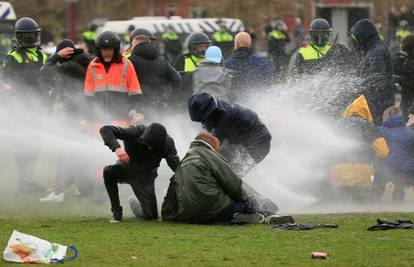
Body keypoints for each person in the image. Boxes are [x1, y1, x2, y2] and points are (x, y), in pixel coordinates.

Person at [161, 131, 264, 224]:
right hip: (216, 211)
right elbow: (232, 183)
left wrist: (168, 215)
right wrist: (246, 200)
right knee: (248, 201)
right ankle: (262, 214)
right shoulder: (211, 155)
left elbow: (171, 193)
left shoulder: (182, 163)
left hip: (189, 216)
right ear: (213, 144)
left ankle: (231, 218)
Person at [38, 39, 94, 203]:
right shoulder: (85, 61)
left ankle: (59, 192)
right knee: (81, 153)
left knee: (65, 154)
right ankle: (83, 188)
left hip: (77, 116)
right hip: (86, 116)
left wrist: (55, 57)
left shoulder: (69, 67)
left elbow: (44, 72)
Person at [2, 17, 48, 193]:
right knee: (23, 146)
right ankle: (24, 182)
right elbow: (3, 79)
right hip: (20, 108)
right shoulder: (12, 56)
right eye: (26, 35)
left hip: (40, 107)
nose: (29, 38)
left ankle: (30, 180)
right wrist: (7, 87)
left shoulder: (43, 55)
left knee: (35, 145)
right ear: (19, 37)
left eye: (32, 35)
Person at [100, 122, 180, 222]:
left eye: (153, 146)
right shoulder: (135, 131)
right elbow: (106, 129)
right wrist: (117, 148)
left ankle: (134, 203)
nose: (149, 148)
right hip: (126, 168)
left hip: (145, 177)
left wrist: (185, 174)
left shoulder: (168, 143)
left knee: (151, 216)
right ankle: (116, 211)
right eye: (148, 144)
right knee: (108, 172)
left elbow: (174, 162)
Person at [188, 93, 272, 176]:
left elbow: (211, 146)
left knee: (232, 173)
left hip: (259, 144)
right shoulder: (217, 108)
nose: (202, 123)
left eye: (203, 120)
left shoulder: (223, 117)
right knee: (224, 163)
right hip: (242, 140)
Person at [330, 95, 389, 199]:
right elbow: (383, 151)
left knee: (341, 201)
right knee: (360, 201)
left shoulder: (337, 124)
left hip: (338, 169)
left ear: (349, 110)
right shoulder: (369, 126)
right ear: (366, 111)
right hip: (362, 169)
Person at [84, 31, 141, 122]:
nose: (107, 52)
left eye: (110, 49)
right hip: (99, 119)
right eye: (104, 49)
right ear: (99, 50)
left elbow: (135, 93)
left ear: (116, 49)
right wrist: (88, 117)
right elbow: (88, 95)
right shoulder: (93, 66)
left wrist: (134, 112)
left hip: (122, 118)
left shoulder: (127, 64)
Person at [350, 19, 395, 125]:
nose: (355, 40)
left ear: (363, 36)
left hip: (378, 106)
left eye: (356, 36)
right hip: (374, 104)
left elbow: (374, 79)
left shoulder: (377, 52)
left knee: (377, 137)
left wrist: (354, 86)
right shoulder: (371, 50)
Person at [128, 34, 182, 119]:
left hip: (138, 112)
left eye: (132, 45)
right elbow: (177, 79)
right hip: (160, 109)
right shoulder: (162, 60)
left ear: (135, 45)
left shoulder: (131, 61)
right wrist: (171, 101)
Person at [377, 106, 414, 202]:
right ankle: (398, 205)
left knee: (378, 174)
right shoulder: (410, 132)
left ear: (386, 116)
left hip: (390, 167)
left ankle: (374, 202)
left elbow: (379, 149)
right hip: (409, 168)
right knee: (400, 185)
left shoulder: (381, 130)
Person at [225, 32, 272, 103]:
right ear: (250, 45)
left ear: (236, 45)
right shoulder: (261, 62)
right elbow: (268, 83)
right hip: (255, 104)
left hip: (233, 106)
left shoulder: (226, 64)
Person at [174, 32, 210, 107]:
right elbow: (175, 78)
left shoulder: (210, 59)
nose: (204, 49)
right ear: (192, 47)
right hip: (187, 98)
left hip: (207, 98)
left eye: (205, 46)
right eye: (201, 47)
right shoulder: (182, 59)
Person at [394, 35, 414, 118]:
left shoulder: (409, 64)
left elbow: (398, 70)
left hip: (410, 108)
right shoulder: (407, 61)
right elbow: (397, 71)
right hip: (406, 105)